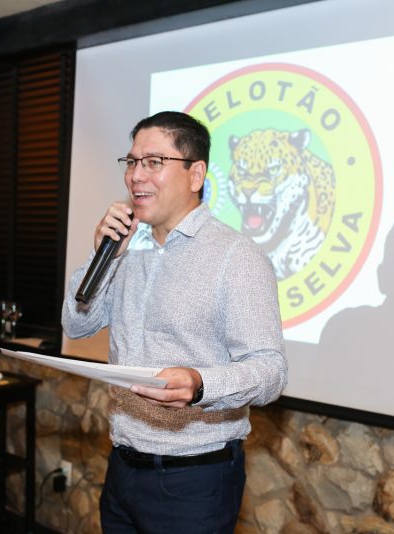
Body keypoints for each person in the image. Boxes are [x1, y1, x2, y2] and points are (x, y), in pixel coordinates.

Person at [62, 111, 287, 533]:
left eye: (153, 162)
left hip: (195, 480)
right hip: (123, 465)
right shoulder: (127, 249)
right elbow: (76, 325)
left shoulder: (236, 258)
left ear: (196, 173)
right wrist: (103, 256)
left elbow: (271, 371)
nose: (135, 176)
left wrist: (200, 385)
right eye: (131, 162)